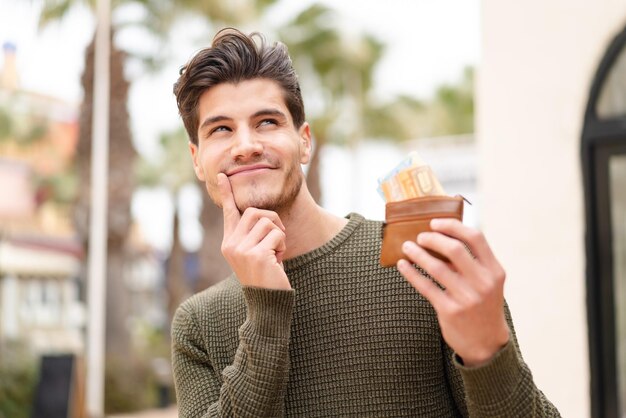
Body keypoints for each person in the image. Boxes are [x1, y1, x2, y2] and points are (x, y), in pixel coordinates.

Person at [171, 27, 561, 417]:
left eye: (267, 122)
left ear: (304, 141)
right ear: (196, 158)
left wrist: (488, 353)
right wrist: (266, 311)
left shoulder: (421, 259)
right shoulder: (197, 323)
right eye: (221, 129)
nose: (246, 146)